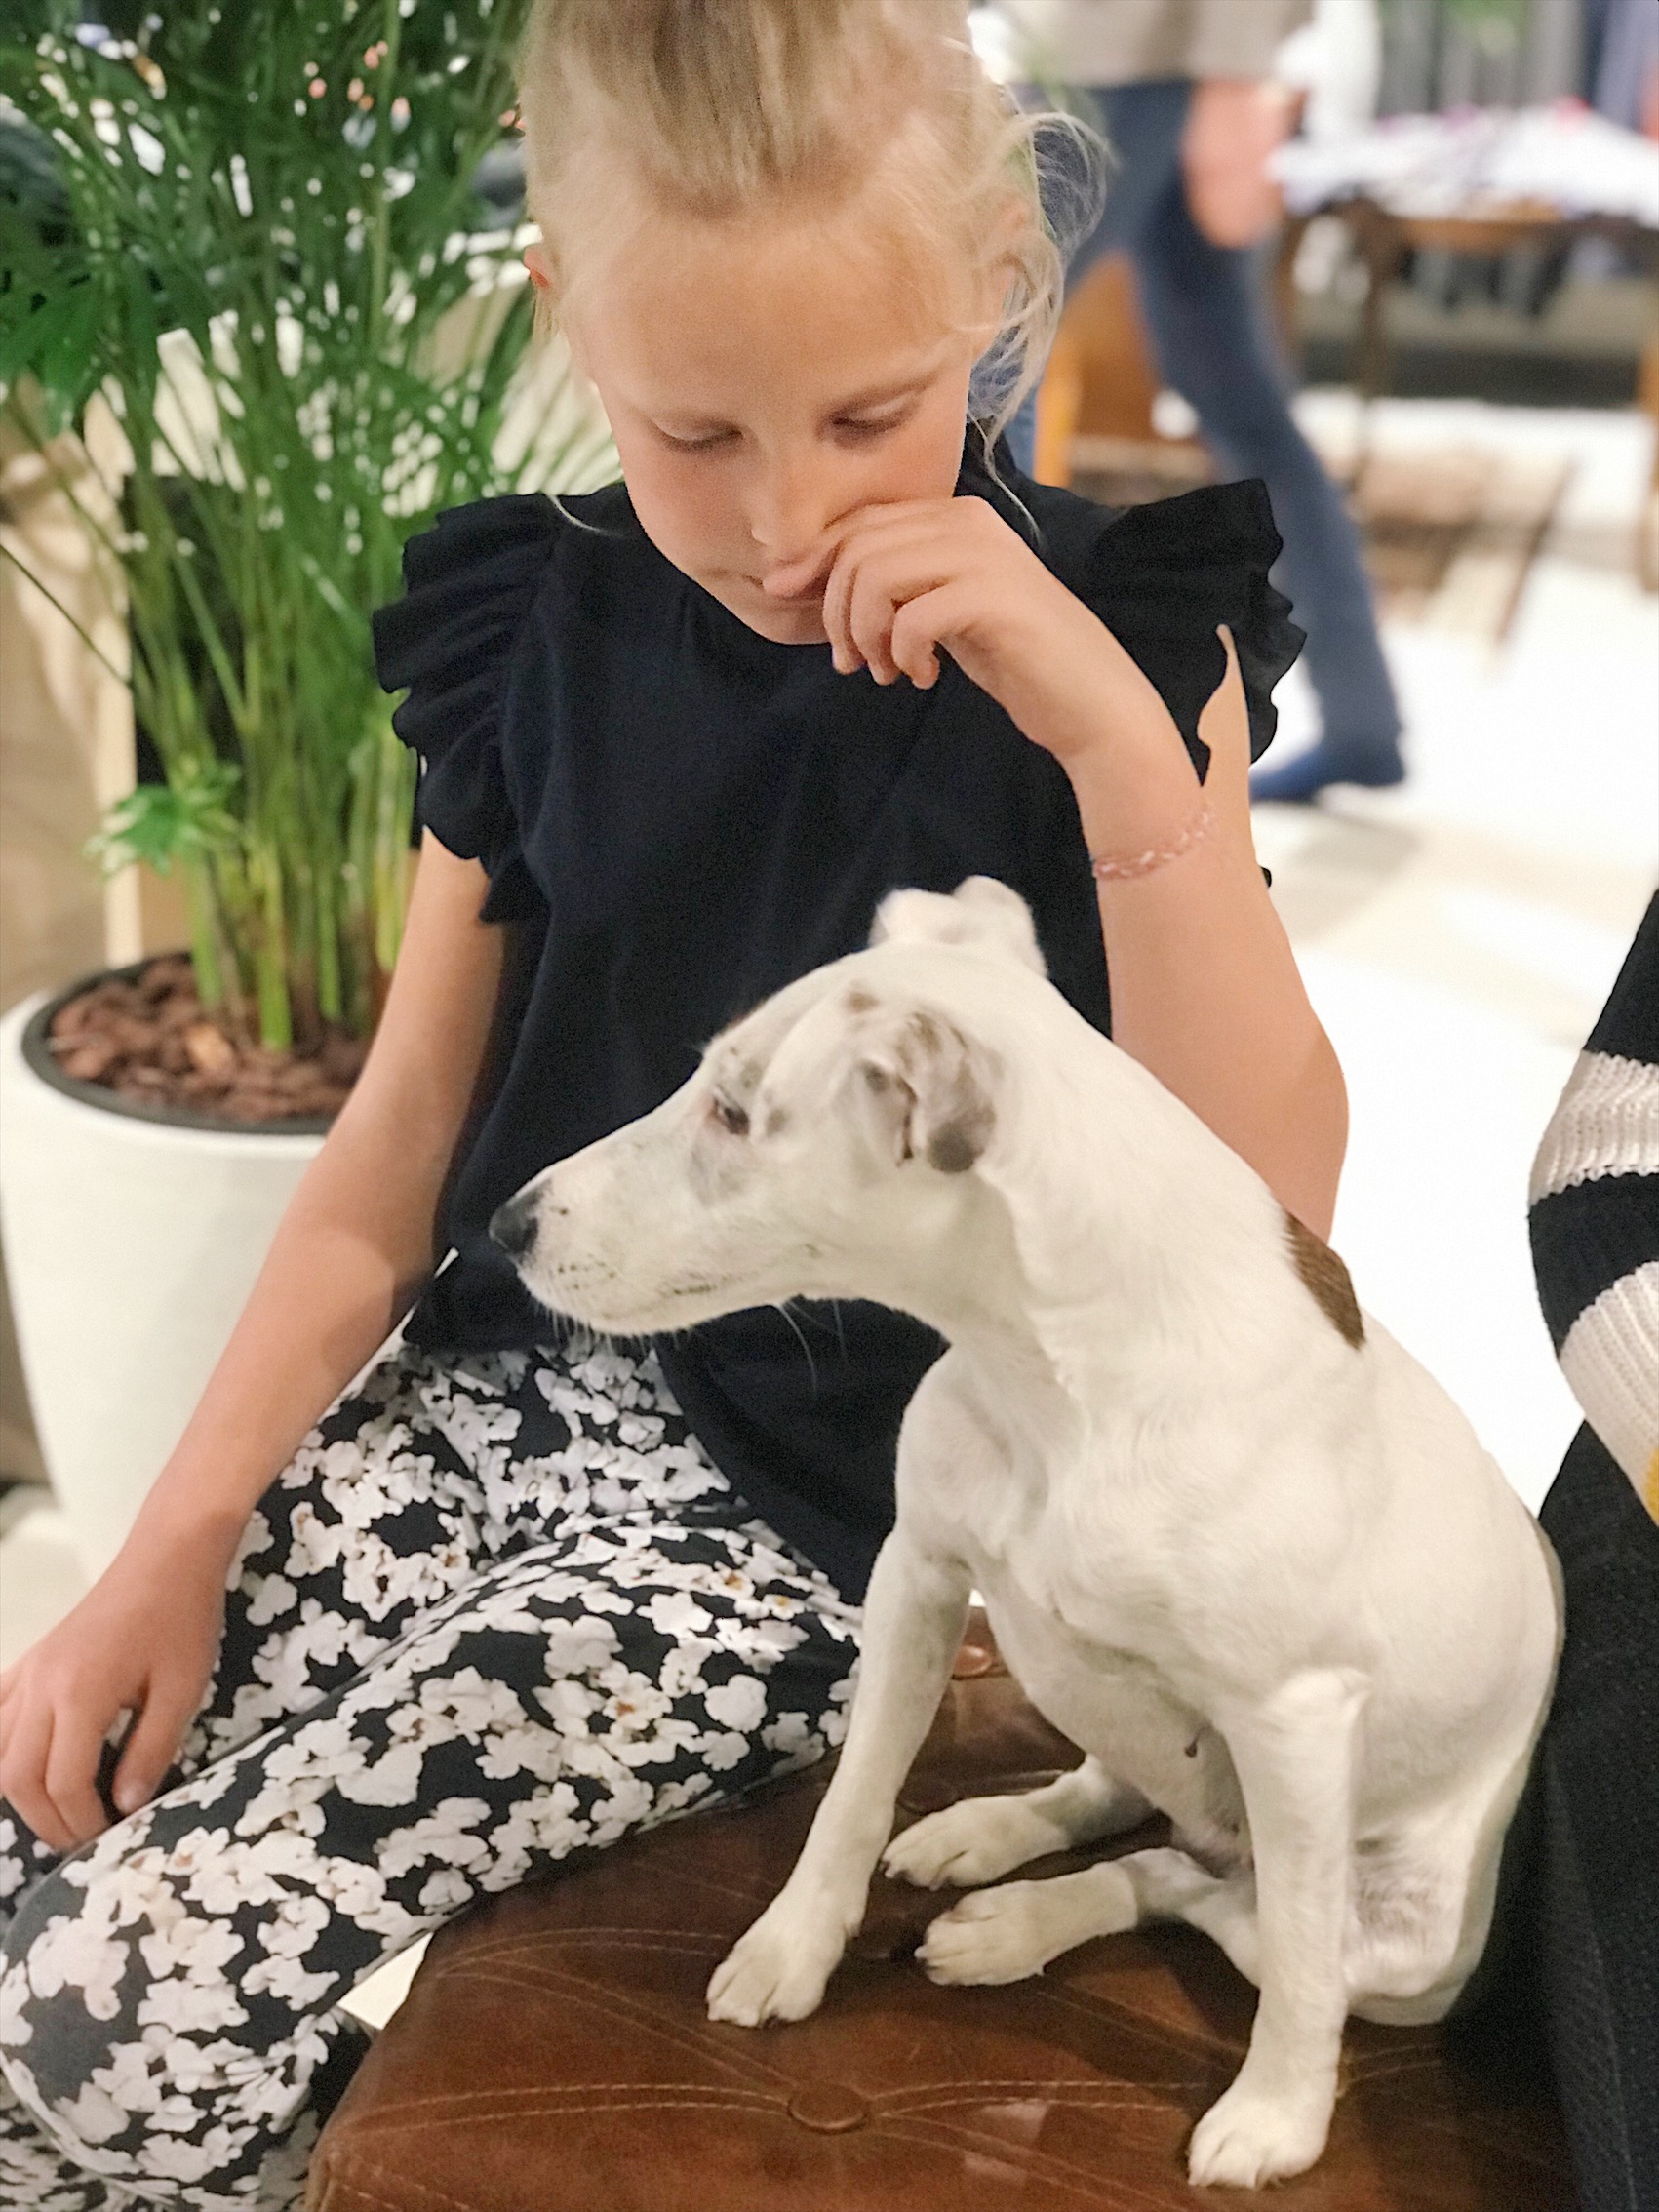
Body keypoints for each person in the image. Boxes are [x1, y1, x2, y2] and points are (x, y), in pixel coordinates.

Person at [0, 3, 1348, 2202]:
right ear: (564, 310)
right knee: (33, 1836)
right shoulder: (536, 624)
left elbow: (1273, 1211)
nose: (787, 517)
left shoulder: (1125, 640)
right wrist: (169, 1539)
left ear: (995, 280)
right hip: (489, 1408)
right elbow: (389, 1156)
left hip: (812, 1527)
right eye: (691, 429)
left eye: (870, 416)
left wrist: (1110, 741)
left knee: (105, 2014)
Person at [999, 0, 1405, 802]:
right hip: (1132, 60)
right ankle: (1361, 719)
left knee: (997, 359)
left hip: (1119, 64)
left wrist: (1236, 72)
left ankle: (998, 730)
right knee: (1235, 397)